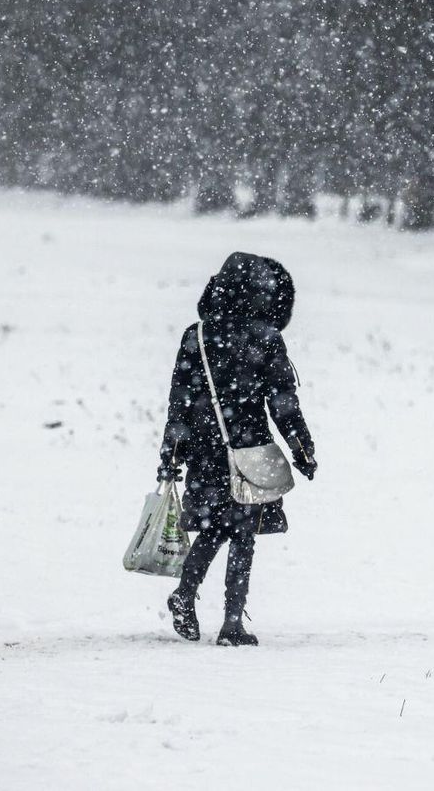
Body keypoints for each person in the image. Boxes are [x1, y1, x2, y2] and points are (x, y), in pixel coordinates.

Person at [158, 252, 316, 647]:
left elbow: (180, 400)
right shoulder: (266, 338)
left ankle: (185, 594)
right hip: (249, 448)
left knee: (214, 528)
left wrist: (171, 452)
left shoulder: (195, 336)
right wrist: (301, 447)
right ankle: (232, 622)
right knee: (244, 532)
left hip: (205, 450)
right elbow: (283, 402)